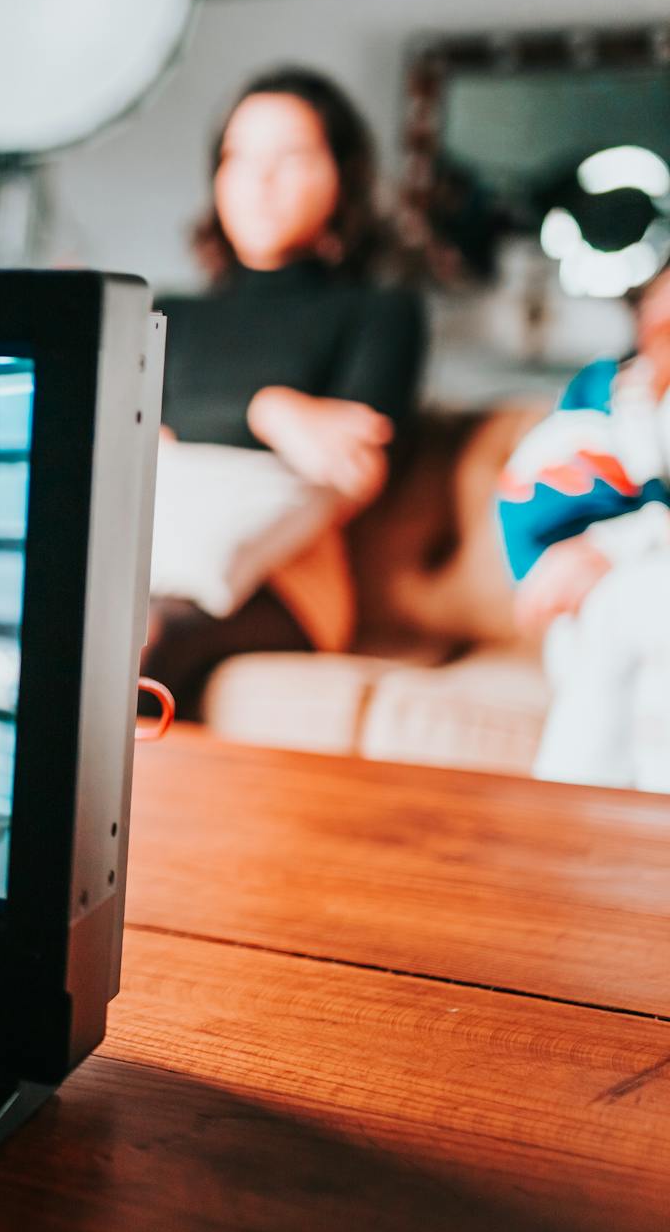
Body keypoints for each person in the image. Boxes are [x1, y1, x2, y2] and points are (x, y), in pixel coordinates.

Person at [145, 67, 427, 717]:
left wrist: (196, 419)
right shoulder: (173, 313)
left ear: (343, 176)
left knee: (135, 637)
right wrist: (273, 412)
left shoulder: (380, 311)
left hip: (286, 586)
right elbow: (132, 428)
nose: (258, 181)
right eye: (238, 158)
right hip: (162, 553)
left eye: (290, 158)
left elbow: (356, 464)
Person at [497, 265, 670, 791]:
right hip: (594, 608)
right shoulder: (607, 395)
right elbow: (537, 492)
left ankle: (571, 820)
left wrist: (616, 543)